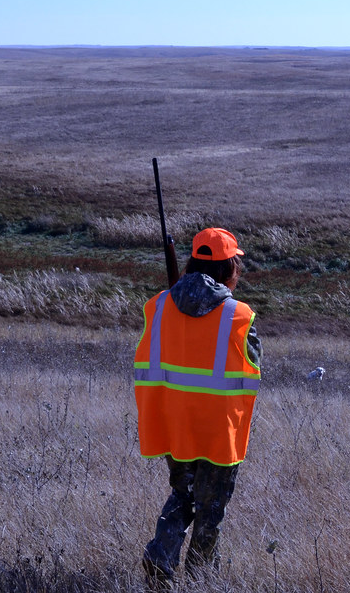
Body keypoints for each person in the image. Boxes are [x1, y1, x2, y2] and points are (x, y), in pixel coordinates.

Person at [133, 227, 262, 585]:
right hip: (220, 433)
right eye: (237, 264)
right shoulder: (239, 315)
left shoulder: (158, 306)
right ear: (228, 269)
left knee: (182, 496)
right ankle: (201, 580)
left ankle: (160, 556)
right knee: (211, 510)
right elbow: (254, 363)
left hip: (176, 427)